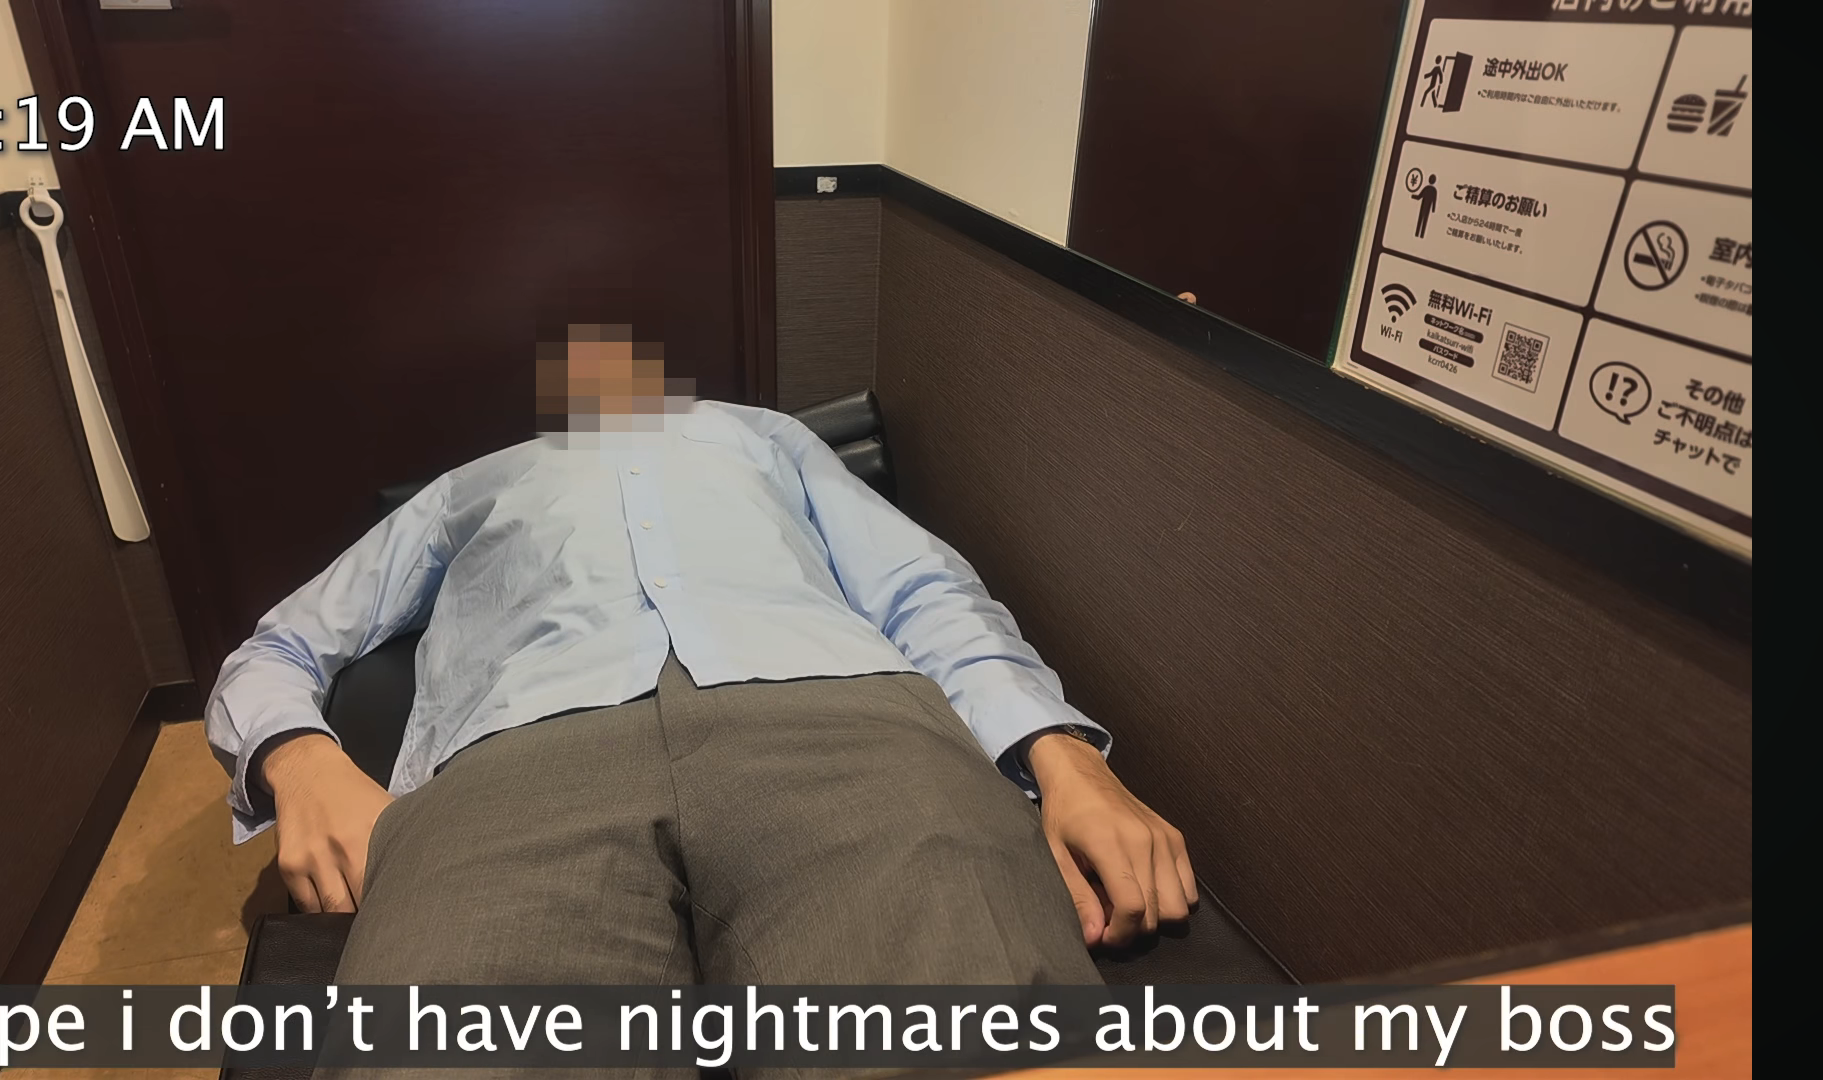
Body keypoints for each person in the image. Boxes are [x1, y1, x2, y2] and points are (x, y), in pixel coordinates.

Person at [205, 320, 1199, 1007]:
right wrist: (302, 760)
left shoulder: (769, 439)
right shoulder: (471, 485)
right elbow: (280, 644)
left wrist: (1061, 753)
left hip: (847, 722)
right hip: (514, 761)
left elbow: (922, 589)